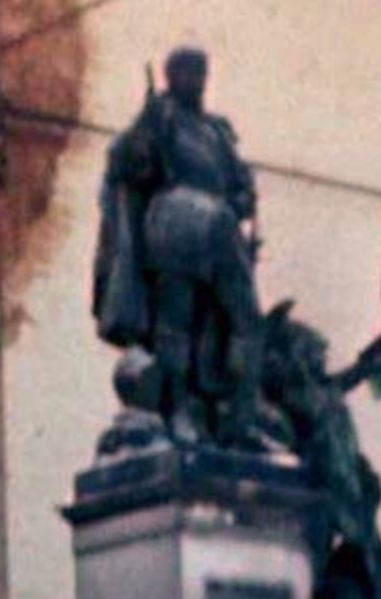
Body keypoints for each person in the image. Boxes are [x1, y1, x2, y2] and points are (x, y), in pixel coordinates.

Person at [93, 47, 264, 447]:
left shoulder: (216, 130)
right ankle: (179, 412)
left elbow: (241, 183)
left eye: (201, 71)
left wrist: (241, 199)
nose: (197, 79)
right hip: (174, 221)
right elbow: (122, 162)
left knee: (245, 320)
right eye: (188, 72)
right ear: (171, 76)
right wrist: (143, 125)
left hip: (218, 225)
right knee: (177, 325)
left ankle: (242, 417)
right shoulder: (160, 118)